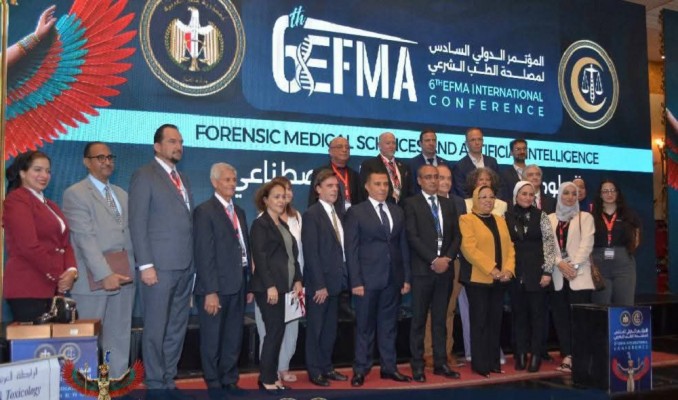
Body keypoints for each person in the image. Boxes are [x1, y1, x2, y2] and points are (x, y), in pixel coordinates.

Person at [128, 124, 194, 389]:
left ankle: (168, 378)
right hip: (158, 267)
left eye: (180, 142)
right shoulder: (145, 175)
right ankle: (155, 382)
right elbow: (137, 222)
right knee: (156, 329)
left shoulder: (183, 178)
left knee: (176, 328)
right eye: (172, 141)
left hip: (185, 266)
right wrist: (145, 264)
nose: (178, 146)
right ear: (157, 146)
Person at [62, 142, 134, 377]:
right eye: (100, 157)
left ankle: (116, 383)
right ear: (87, 162)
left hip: (124, 276)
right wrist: (105, 274)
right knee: (88, 339)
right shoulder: (76, 193)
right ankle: (86, 387)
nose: (107, 162)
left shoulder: (122, 194)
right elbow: (85, 239)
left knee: (119, 336)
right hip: (93, 279)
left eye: (110, 157)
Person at [346, 171, 412, 386]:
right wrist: (355, 281)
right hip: (366, 281)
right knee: (364, 327)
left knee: (389, 326)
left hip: (393, 279)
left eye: (385, 184)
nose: (383, 188)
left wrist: (406, 278)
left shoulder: (397, 211)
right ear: (367, 187)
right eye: (377, 184)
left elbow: (403, 246)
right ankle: (360, 369)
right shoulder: (356, 212)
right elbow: (351, 250)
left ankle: (389, 368)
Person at [192, 163, 251, 391]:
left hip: (238, 283)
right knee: (212, 338)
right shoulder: (204, 211)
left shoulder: (240, 212)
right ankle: (213, 382)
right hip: (215, 287)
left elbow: (244, 249)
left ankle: (229, 379)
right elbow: (203, 254)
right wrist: (210, 291)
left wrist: (249, 285)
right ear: (214, 182)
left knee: (233, 337)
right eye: (227, 180)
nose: (232, 184)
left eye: (234, 180)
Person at [3, 151, 77, 322]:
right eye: (37, 170)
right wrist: (59, 275)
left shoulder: (51, 205)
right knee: (36, 339)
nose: (44, 175)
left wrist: (71, 271)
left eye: (48, 171)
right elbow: (28, 246)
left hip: (52, 288)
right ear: (22, 173)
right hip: (28, 287)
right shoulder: (17, 200)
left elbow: (64, 244)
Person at [404, 165, 461, 382]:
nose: (433, 180)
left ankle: (440, 363)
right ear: (419, 180)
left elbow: (457, 236)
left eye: (436, 177)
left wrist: (447, 259)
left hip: (445, 271)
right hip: (422, 271)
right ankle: (417, 365)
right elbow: (412, 236)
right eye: (428, 177)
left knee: (440, 320)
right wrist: (433, 260)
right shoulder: (411, 203)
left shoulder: (448, 203)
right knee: (419, 321)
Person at [250, 181, 303, 393]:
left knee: (277, 332)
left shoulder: (283, 225)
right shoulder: (260, 224)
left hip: (285, 288)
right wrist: (270, 285)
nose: (281, 201)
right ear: (265, 200)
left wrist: (297, 279)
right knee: (273, 333)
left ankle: (271, 377)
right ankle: (266, 379)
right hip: (269, 289)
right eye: (276, 197)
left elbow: (293, 257)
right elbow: (260, 258)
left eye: (283, 197)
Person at [459, 185, 515, 378]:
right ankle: (480, 365)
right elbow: (469, 249)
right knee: (479, 322)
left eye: (491, 197)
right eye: (483, 197)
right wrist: (492, 269)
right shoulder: (466, 219)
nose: (488, 200)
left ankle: (493, 362)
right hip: (478, 279)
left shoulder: (500, 220)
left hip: (500, 280)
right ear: (475, 199)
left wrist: (508, 269)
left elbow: (510, 247)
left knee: (495, 322)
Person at [302, 169, 349, 386]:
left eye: (336, 186)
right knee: (316, 330)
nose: (334, 190)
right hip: (319, 286)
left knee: (330, 330)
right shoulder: (312, 214)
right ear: (318, 189)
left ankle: (327, 367)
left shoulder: (337, 212)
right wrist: (319, 285)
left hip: (336, 283)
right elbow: (311, 253)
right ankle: (314, 371)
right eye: (329, 186)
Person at [504, 181, 557, 373]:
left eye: (530, 194)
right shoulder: (506, 216)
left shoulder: (541, 216)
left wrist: (548, 271)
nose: (527, 197)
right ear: (516, 195)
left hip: (538, 274)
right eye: (523, 194)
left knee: (537, 317)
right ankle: (520, 354)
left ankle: (535, 355)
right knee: (518, 317)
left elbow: (549, 245)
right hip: (515, 273)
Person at [421, 164, 467, 368]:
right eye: (441, 178)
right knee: (431, 309)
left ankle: (446, 350)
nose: (445, 182)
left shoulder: (458, 202)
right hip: (430, 263)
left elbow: (460, 233)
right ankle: (429, 351)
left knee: (449, 309)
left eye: (449, 178)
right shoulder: (423, 203)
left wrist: (449, 257)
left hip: (454, 261)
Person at [548, 181, 595, 372]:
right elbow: (547, 246)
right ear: (559, 195)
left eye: (573, 194)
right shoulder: (549, 219)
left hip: (579, 275)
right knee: (561, 319)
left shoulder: (586, 217)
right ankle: (568, 355)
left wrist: (573, 266)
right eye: (566, 193)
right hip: (558, 275)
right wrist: (560, 263)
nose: (570, 197)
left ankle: (581, 356)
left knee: (580, 320)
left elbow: (587, 244)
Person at [590, 180, 641, 306]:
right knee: (601, 306)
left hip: (623, 264)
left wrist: (628, 250)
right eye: (605, 191)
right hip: (599, 264)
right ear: (600, 194)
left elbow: (637, 235)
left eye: (612, 190)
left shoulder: (629, 214)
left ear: (618, 193)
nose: (609, 194)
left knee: (625, 306)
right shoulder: (592, 216)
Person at [307, 136, 364, 218]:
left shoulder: (355, 175)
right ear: (330, 151)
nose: (344, 150)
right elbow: (313, 200)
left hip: (352, 220)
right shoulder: (319, 172)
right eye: (340, 147)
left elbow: (360, 203)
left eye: (347, 147)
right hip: (328, 219)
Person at [359, 132, 413, 204]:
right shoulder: (369, 165)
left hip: (402, 208)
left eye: (393, 143)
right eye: (388, 143)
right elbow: (364, 190)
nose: (391, 146)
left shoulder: (404, 166)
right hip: (381, 206)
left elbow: (409, 191)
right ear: (379, 145)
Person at [452, 128, 500, 198]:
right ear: (466, 143)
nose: (477, 143)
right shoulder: (460, 166)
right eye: (473, 140)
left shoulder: (492, 162)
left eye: (479, 139)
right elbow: (461, 192)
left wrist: (493, 200)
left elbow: (499, 186)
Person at [407, 129, 449, 193]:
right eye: (427, 140)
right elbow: (411, 190)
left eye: (434, 140)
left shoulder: (446, 164)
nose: (431, 143)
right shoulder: (412, 165)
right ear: (420, 143)